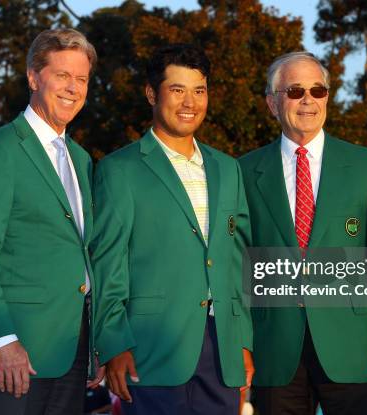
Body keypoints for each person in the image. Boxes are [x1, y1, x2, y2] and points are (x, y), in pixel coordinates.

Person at [239, 51, 367, 414]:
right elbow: (237, 265)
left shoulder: (366, 166)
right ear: (272, 102)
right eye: (296, 90)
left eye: (318, 90)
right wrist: (239, 342)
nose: (308, 100)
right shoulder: (243, 171)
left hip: (352, 349)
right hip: (274, 350)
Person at [91, 43, 254, 415]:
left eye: (199, 90)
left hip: (221, 352)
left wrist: (242, 340)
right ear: (152, 93)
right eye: (177, 89)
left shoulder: (229, 170)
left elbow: (238, 260)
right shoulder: (120, 170)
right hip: (151, 350)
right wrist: (114, 343)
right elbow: (107, 264)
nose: (190, 102)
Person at [0, 28, 100, 414]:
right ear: (34, 77)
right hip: (19, 354)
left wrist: (97, 344)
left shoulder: (82, 160)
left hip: (73, 352)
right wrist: (2, 340)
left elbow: (83, 254)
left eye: (82, 79)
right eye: (62, 75)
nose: (73, 88)